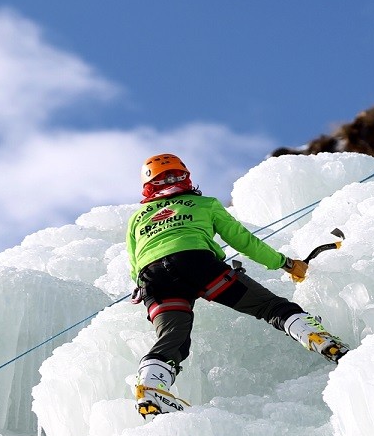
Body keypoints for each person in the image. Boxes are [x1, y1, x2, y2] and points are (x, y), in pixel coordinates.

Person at [126, 153, 350, 417]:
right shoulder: (205, 204)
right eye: (171, 176)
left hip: (153, 280)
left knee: (173, 337)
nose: (173, 180)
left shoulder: (138, 217)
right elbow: (243, 241)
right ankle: (318, 338)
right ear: (187, 177)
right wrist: (286, 263)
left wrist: (144, 290)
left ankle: (150, 388)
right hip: (198, 264)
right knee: (271, 307)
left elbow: (133, 263)